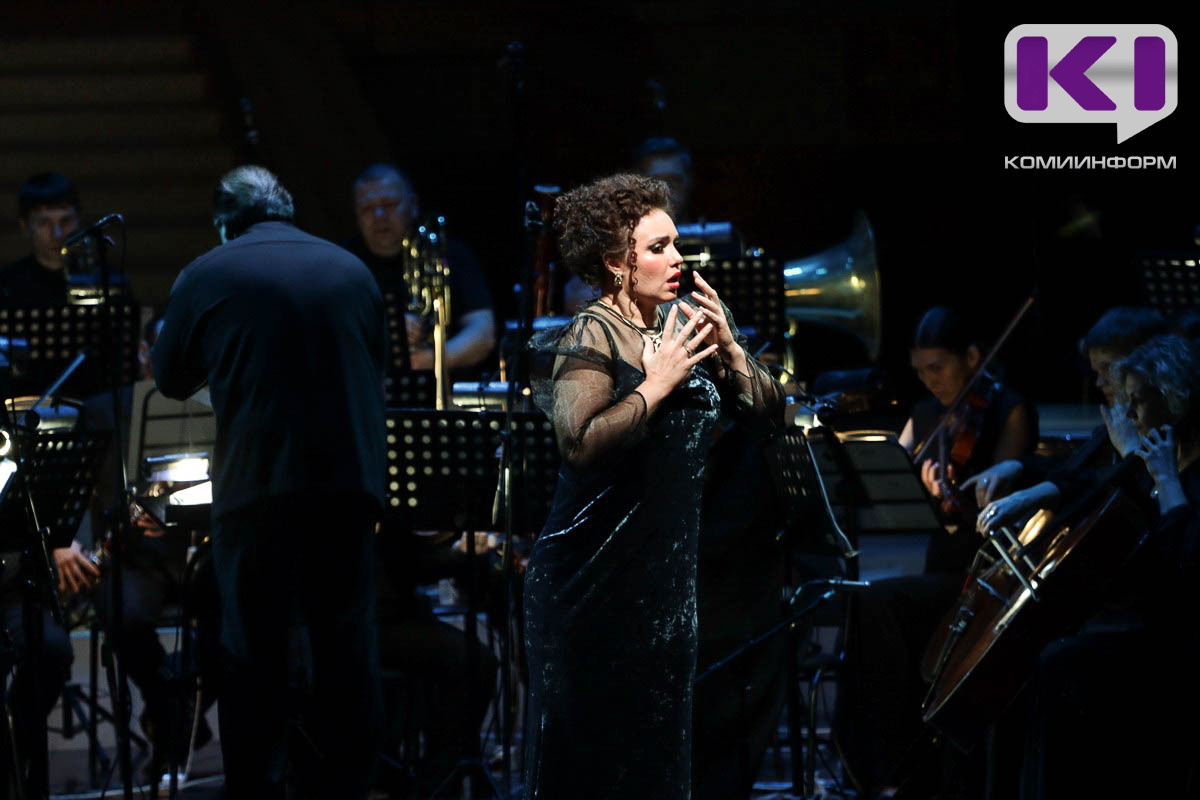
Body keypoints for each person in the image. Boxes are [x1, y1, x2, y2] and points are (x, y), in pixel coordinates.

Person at [522, 173, 783, 798]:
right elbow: (579, 443)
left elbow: (771, 414)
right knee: (591, 767)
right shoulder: (592, 332)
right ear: (617, 263)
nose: (678, 259)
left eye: (676, 244)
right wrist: (656, 385)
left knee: (658, 761)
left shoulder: (683, 322)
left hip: (664, 586)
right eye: (660, 247)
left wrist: (731, 350)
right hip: (590, 582)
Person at [151, 165, 386, 798]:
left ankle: (256, 789)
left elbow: (170, 378)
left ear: (224, 224)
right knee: (347, 656)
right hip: (349, 489)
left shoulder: (207, 271)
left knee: (254, 659)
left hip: (258, 491)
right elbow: (376, 370)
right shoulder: (351, 269)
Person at [836, 306, 1038, 799]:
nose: (929, 381)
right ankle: (878, 768)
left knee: (878, 604)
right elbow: (890, 472)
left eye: (938, 368)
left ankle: (892, 766)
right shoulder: (926, 414)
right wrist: (910, 484)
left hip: (986, 574)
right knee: (866, 607)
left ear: (971, 357)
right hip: (942, 565)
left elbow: (1000, 507)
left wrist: (952, 499)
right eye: (921, 370)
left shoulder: (1009, 409)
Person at [1019, 334, 1200, 798]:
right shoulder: (1159, 453)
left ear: (1174, 400)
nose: (1130, 412)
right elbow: (1099, 499)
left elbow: (1184, 563)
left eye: (1139, 400)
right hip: (1144, 621)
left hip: (1177, 643)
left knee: (1061, 662)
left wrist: (1165, 480)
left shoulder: (1180, 467)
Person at [970, 306, 1167, 535]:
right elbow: (1074, 465)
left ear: (1144, 362)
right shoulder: (1119, 423)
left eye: (1108, 368)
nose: (1100, 383)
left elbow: (1095, 483)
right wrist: (1017, 466)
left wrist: (1131, 455)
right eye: (1096, 372)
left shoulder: (1164, 434)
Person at [345, 162, 494, 375]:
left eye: (389, 204)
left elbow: (483, 333)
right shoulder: (342, 264)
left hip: (444, 385)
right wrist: (388, 333)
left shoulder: (450, 253)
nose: (379, 215)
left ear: (413, 204)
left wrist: (432, 358)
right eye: (367, 208)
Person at [0, 172, 80, 307]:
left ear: (77, 221)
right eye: (44, 223)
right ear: (25, 226)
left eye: (65, 221)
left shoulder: (106, 281)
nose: (57, 234)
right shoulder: (5, 287)